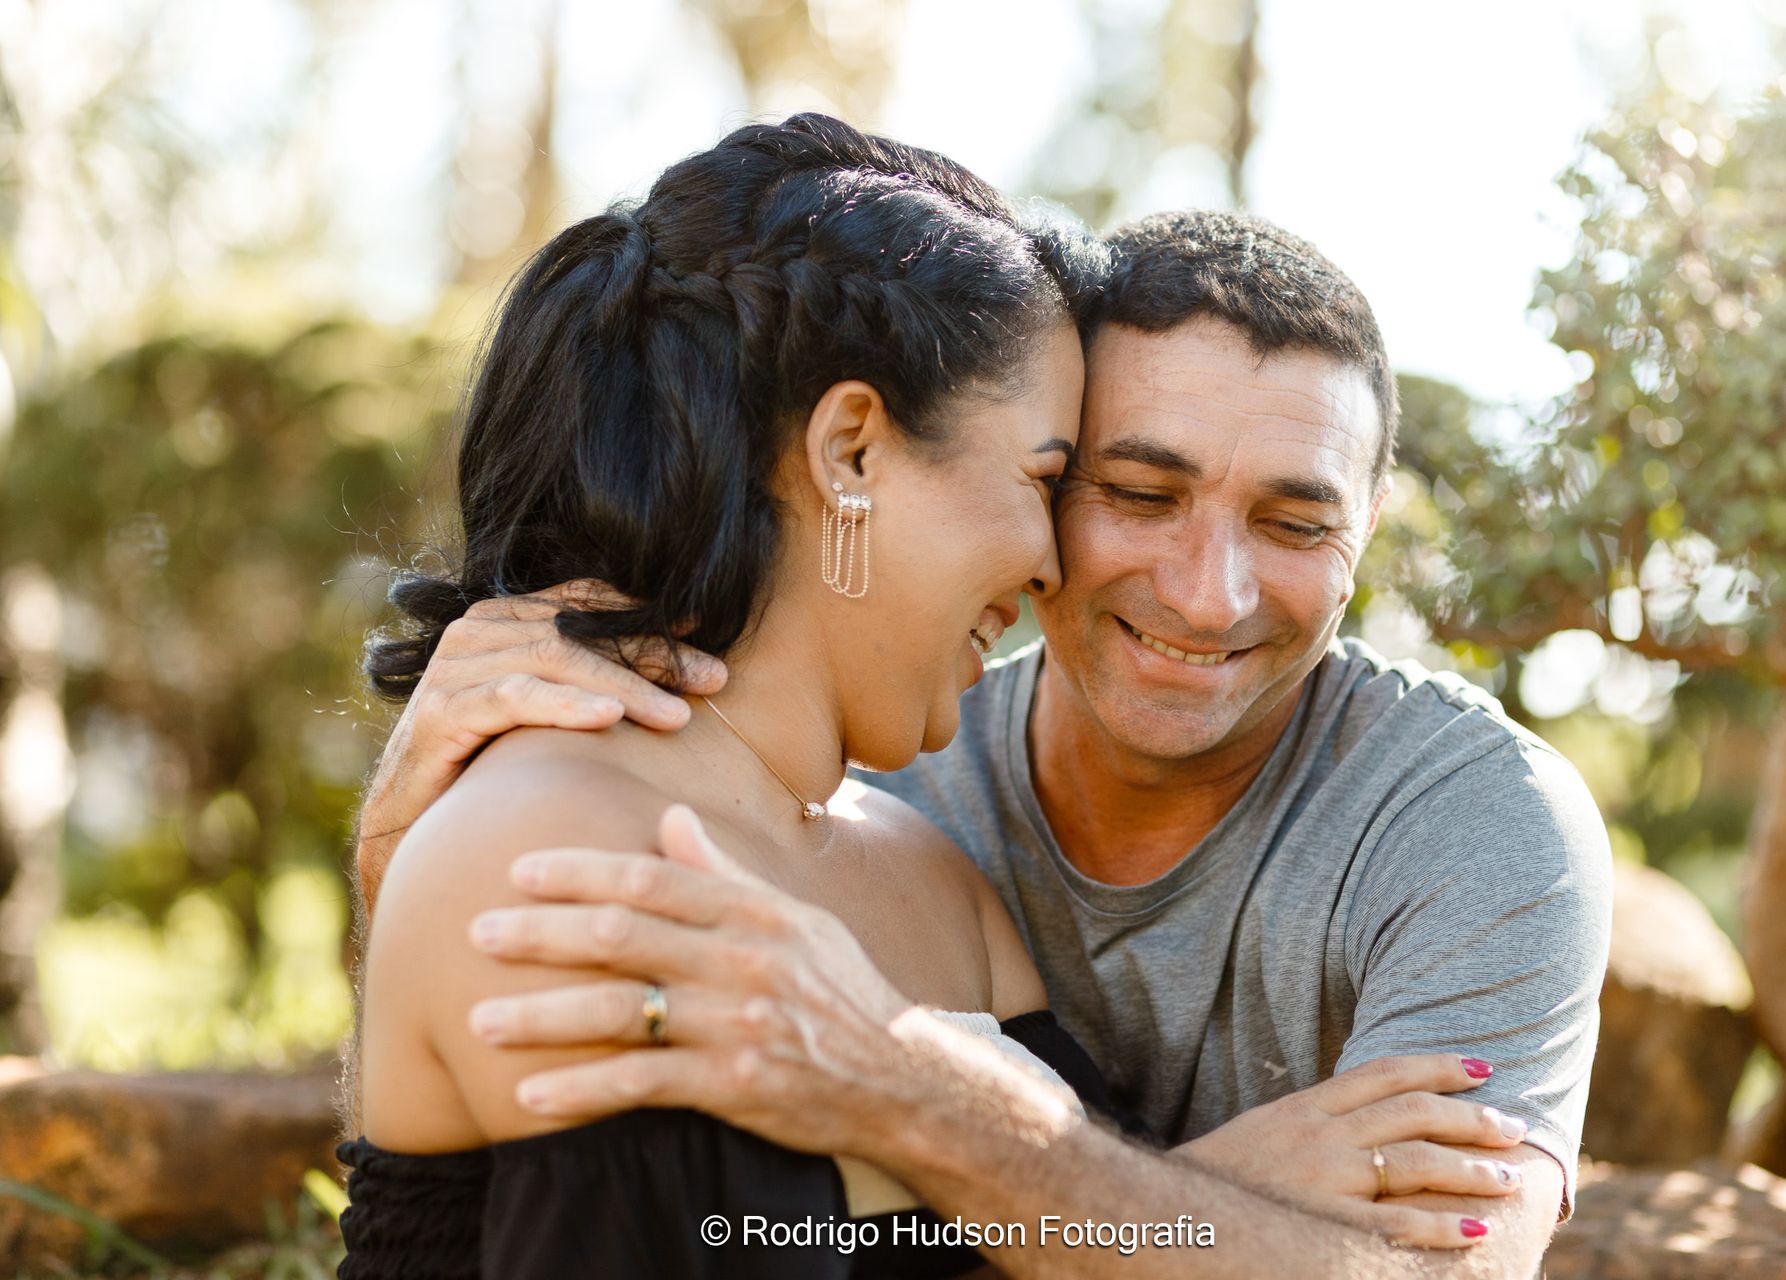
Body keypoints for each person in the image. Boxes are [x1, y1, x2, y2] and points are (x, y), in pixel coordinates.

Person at [354, 208, 1607, 1276]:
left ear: (1371, 522)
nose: (1211, 591)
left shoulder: (1480, 821)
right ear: (1045, 484)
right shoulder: (881, 780)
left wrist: (926, 1098)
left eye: (1293, 520)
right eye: (1137, 492)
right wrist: (402, 875)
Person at [343, 112, 1136, 1279]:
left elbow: (1123, 1227)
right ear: (852, 449)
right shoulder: (553, 847)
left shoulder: (930, 874)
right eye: (1043, 478)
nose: (1053, 562)